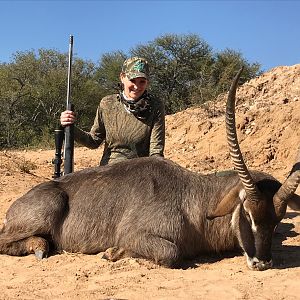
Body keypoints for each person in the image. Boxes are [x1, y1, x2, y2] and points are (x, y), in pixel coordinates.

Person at [60, 57, 165, 166]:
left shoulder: (156, 106)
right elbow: (93, 141)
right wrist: (69, 126)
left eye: (142, 81)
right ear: (122, 77)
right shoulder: (107, 103)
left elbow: (156, 153)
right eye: (132, 80)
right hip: (109, 172)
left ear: (147, 82)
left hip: (139, 172)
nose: (137, 86)